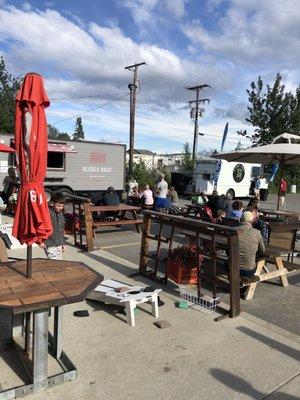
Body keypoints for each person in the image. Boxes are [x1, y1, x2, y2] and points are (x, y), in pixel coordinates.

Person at [238, 211, 265, 277]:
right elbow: (262, 250)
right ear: (252, 220)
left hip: (231, 267)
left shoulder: (233, 231)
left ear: (240, 219)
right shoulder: (257, 233)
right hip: (248, 270)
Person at [41, 192, 66, 260]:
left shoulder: (60, 213)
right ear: (52, 203)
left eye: (63, 205)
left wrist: (63, 243)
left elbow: (61, 229)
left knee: (58, 262)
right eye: (59, 205)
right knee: (54, 262)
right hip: (49, 243)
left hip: (58, 242)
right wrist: (40, 241)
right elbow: (41, 226)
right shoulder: (47, 213)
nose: (61, 208)